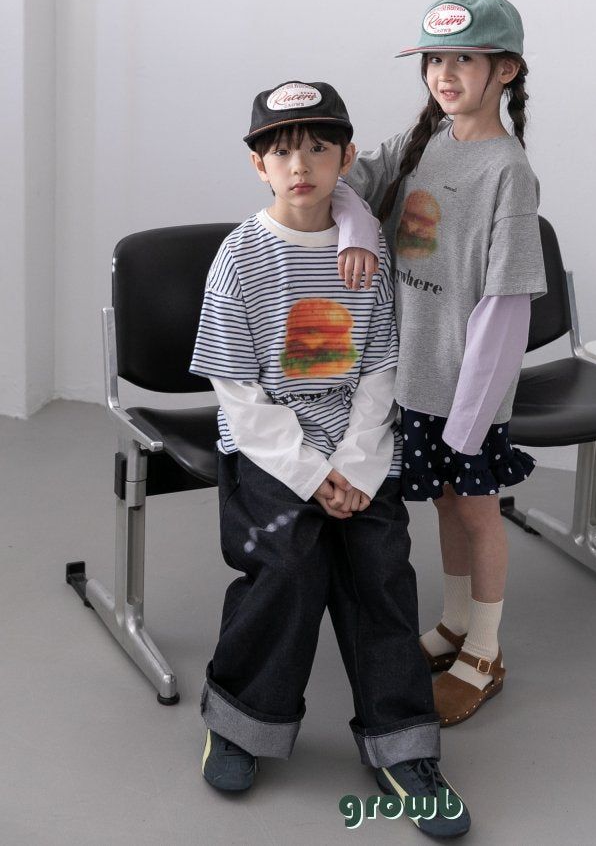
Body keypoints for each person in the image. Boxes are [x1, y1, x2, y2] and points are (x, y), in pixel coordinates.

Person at [190, 80, 470, 839]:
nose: (301, 165)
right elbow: (238, 393)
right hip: (271, 453)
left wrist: (354, 467)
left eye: (319, 149)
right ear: (258, 165)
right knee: (286, 567)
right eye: (282, 152)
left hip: (359, 450)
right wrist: (314, 476)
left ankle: (403, 746)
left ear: (347, 159)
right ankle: (240, 723)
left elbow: (381, 370)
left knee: (379, 571)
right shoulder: (240, 259)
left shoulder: (365, 256)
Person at [340, 0, 547, 728]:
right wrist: (352, 230)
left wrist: (472, 415)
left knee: (479, 510)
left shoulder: (508, 172)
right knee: (446, 503)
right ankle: (456, 623)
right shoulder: (423, 140)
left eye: (464, 59)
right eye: (434, 59)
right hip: (414, 375)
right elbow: (349, 184)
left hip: (467, 387)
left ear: (506, 70)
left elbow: (506, 306)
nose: (444, 75)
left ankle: (485, 653)